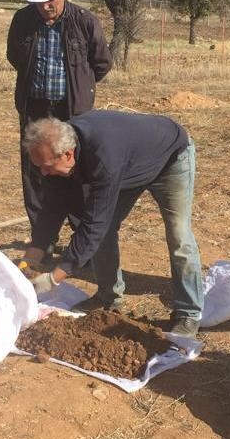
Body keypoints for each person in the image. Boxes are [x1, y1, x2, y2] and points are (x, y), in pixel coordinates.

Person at [19, 112, 204, 338]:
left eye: (46, 166)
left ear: (68, 154)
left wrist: (54, 277)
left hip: (170, 159)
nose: (43, 172)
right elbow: (51, 209)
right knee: (105, 232)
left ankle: (189, 313)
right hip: (129, 166)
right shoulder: (54, 153)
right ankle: (108, 298)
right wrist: (29, 261)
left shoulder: (103, 157)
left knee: (178, 235)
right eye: (39, 166)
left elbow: (94, 222)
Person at [6, 0, 112, 249]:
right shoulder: (23, 20)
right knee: (37, 171)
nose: (45, 5)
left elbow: (101, 63)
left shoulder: (84, 21)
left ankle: (82, 240)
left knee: (77, 169)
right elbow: (15, 57)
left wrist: (80, 89)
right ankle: (43, 240)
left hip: (73, 111)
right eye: (39, 0)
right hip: (35, 109)